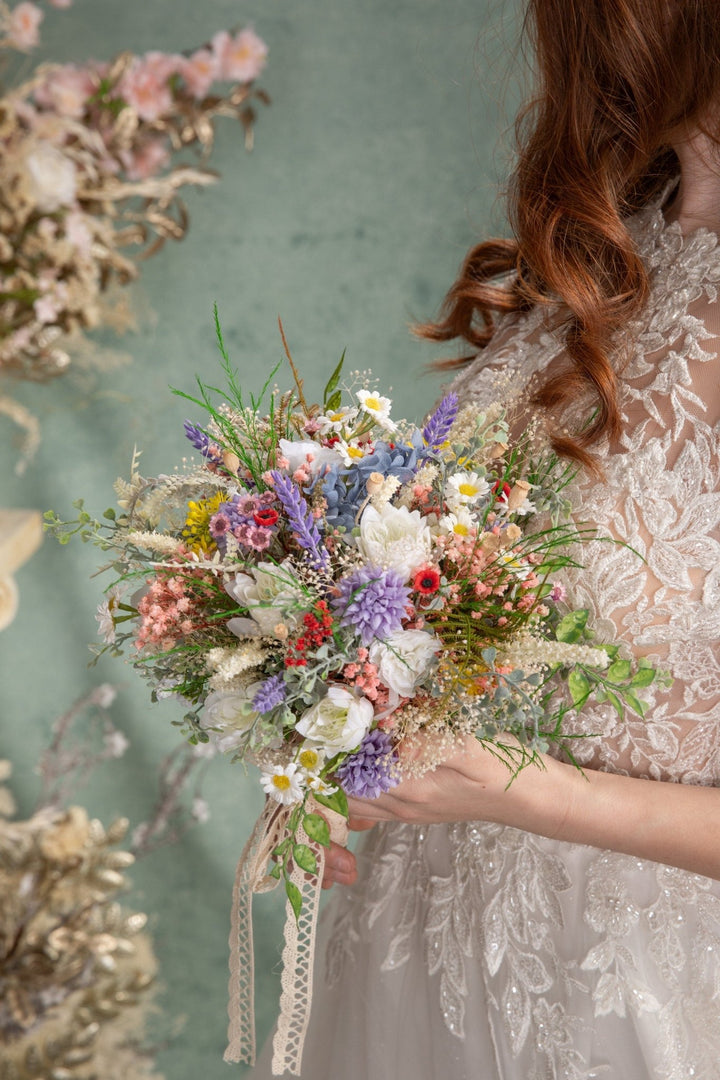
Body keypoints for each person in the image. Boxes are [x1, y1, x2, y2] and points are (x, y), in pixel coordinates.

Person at [256, 1, 720, 1075]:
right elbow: (458, 603)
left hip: (635, 998)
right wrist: (345, 738)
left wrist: (535, 791)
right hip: (422, 969)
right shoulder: (608, 252)